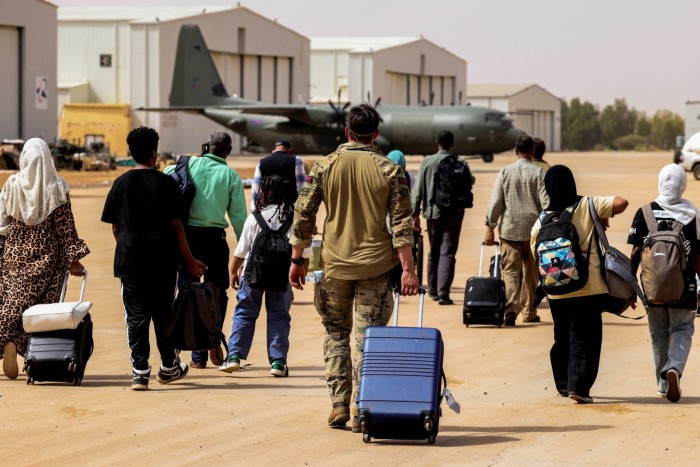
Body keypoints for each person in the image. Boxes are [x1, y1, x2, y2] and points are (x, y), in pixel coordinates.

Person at [288, 103, 418, 430]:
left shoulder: (323, 166)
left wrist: (297, 259)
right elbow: (403, 225)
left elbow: (303, 215)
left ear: (346, 131)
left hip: (332, 265)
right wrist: (408, 270)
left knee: (335, 332)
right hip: (376, 266)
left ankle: (338, 404)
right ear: (375, 135)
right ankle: (363, 406)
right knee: (369, 338)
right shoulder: (391, 170)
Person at [102, 127, 206, 390]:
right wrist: (191, 261)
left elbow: (115, 227)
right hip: (163, 263)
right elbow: (177, 227)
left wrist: (128, 249)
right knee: (163, 314)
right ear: (154, 152)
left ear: (130, 152)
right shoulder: (166, 183)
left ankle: (140, 371)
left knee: (135, 316)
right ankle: (169, 366)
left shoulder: (120, 183)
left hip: (130, 264)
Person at [531, 165, 628, 404]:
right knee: (585, 337)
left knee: (561, 337)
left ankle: (564, 384)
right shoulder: (587, 205)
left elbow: (536, 255)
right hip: (588, 287)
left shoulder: (541, 221)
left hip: (556, 289)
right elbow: (622, 202)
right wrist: (599, 212)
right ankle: (579, 387)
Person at [0, 138, 89, 380]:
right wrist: (74, 260)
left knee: (10, 304)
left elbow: (2, 224)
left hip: (13, 257)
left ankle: (7, 339)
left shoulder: (12, 184)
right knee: (40, 313)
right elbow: (65, 229)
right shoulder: (57, 187)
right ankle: (32, 353)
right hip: (48, 261)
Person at [164, 131, 247, 369]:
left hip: (183, 238)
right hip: (213, 240)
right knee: (216, 293)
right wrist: (243, 255)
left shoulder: (178, 168)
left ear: (206, 146)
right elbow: (239, 219)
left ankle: (195, 352)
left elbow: (165, 181)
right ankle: (211, 338)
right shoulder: (230, 175)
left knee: (186, 291)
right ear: (228, 151)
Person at [219, 175, 312, 377]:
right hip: (282, 276)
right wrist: (300, 273)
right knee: (279, 316)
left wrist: (234, 271)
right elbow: (304, 254)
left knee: (245, 312)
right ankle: (278, 362)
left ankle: (234, 356)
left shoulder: (255, 218)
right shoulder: (294, 219)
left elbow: (241, 251)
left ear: (266, 193)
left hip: (253, 275)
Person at [628, 164, 700, 402]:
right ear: (682, 184)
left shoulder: (644, 211)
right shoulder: (692, 215)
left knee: (658, 333)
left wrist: (631, 287)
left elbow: (636, 252)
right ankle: (675, 368)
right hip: (684, 287)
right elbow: (698, 257)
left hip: (652, 289)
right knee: (683, 329)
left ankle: (662, 384)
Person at [485, 134, 548, 325]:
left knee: (511, 272)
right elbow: (546, 203)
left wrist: (490, 227)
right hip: (533, 232)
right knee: (531, 273)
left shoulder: (505, 172)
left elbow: (496, 202)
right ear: (532, 152)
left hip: (510, 230)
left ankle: (511, 309)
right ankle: (529, 311)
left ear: (516, 151)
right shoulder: (538, 173)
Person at [412, 130, 475, 305]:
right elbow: (471, 180)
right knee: (448, 252)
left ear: (437, 142)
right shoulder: (460, 162)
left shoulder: (427, 162)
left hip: (433, 213)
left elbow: (417, 191)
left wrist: (414, 214)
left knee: (434, 251)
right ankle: (443, 293)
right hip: (454, 213)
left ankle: (432, 290)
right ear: (452, 144)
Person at [250, 139, 306, 212]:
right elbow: (301, 186)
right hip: (289, 209)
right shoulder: (296, 160)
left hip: (267, 209)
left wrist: (254, 208)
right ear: (290, 150)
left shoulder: (261, 162)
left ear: (273, 150)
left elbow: (256, 187)